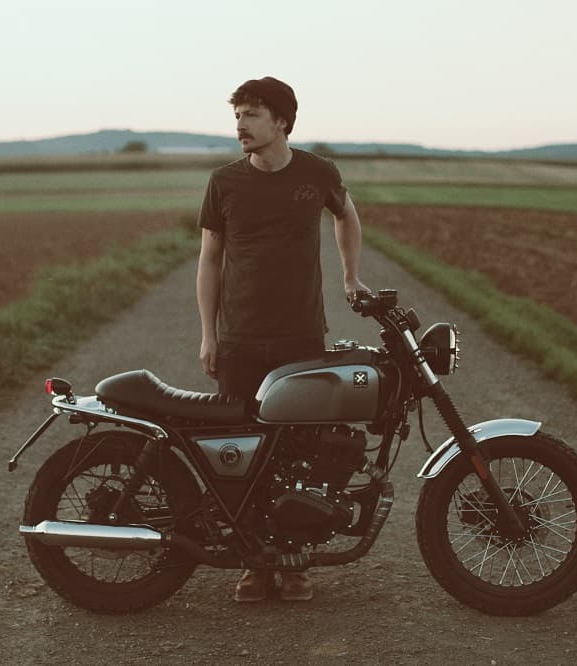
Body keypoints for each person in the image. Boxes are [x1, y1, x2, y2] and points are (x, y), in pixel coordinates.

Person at [196, 76, 369, 603]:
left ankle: (293, 562)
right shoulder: (224, 182)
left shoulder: (317, 173)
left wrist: (350, 276)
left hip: (301, 336)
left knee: (303, 452)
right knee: (240, 452)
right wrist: (209, 334)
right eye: (238, 116)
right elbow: (210, 259)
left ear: (282, 122)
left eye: (251, 115)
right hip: (241, 339)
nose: (241, 126)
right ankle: (252, 564)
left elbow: (347, 215)